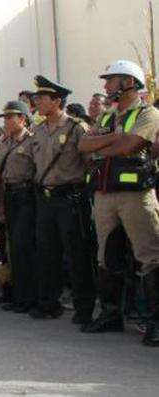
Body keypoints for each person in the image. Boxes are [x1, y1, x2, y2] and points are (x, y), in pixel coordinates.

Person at [78, 60, 159, 346]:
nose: (105, 86)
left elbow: (131, 146)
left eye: (110, 80)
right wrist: (113, 137)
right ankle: (111, 314)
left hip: (135, 194)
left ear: (128, 82)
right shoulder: (107, 117)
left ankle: (155, 322)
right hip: (104, 192)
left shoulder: (148, 113)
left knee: (149, 255)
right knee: (106, 255)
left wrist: (103, 145)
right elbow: (83, 146)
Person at [28, 75, 96, 324]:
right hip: (45, 197)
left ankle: (84, 307)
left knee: (76, 253)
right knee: (47, 252)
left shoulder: (76, 128)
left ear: (57, 101)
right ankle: (48, 303)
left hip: (70, 197)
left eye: (42, 98)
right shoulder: (38, 129)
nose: (38, 102)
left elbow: (90, 164)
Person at [0, 100, 38, 314]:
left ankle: (29, 296)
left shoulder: (31, 141)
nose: (6, 121)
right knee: (12, 248)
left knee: (25, 246)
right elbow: (3, 176)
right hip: (10, 195)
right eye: (5, 117)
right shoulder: (5, 142)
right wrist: (2, 204)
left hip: (26, 194)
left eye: (10, 117)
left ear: (22, 119)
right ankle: (18, 294)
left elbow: (38, 170)